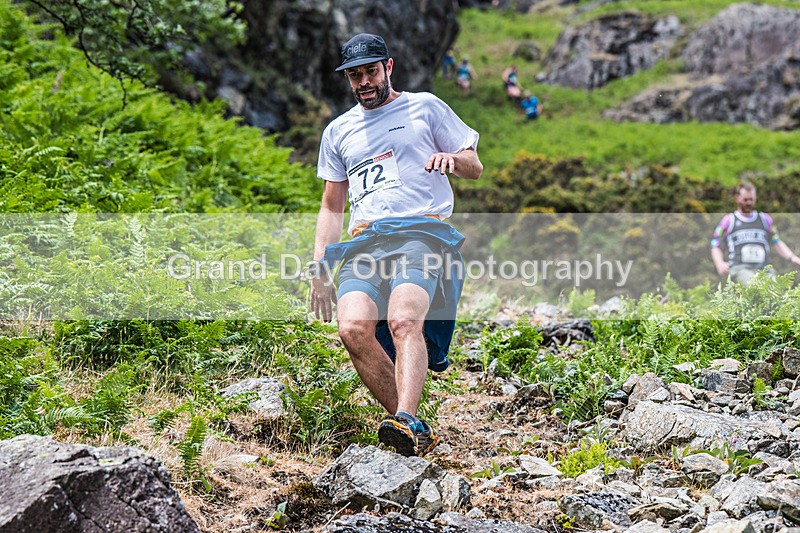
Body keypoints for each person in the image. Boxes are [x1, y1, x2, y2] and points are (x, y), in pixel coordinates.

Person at [311, 33, 483, 457]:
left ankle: (404, 417)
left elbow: (474, 165)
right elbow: (332, 207)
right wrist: (319, 268)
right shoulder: (338, 131)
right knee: (352, 329)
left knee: (404, 322)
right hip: (364, 242)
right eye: (355, 76)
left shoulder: (425, 106)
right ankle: (411, 426)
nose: (364, 82)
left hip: (420, 234)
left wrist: (453, 161)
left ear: (389, 67)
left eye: (371, 71)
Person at [711, 182, 800, 284]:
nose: (748, 203)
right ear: (737, 198)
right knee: (753, 285)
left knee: (775, 288)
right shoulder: (728, 221)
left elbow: (776, 242)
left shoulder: (765, 219)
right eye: (745, 199)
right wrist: (719, 263)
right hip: (740, 268)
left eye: (751, 199)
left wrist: (793, 258)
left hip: (764, 268)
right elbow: (715, 244)